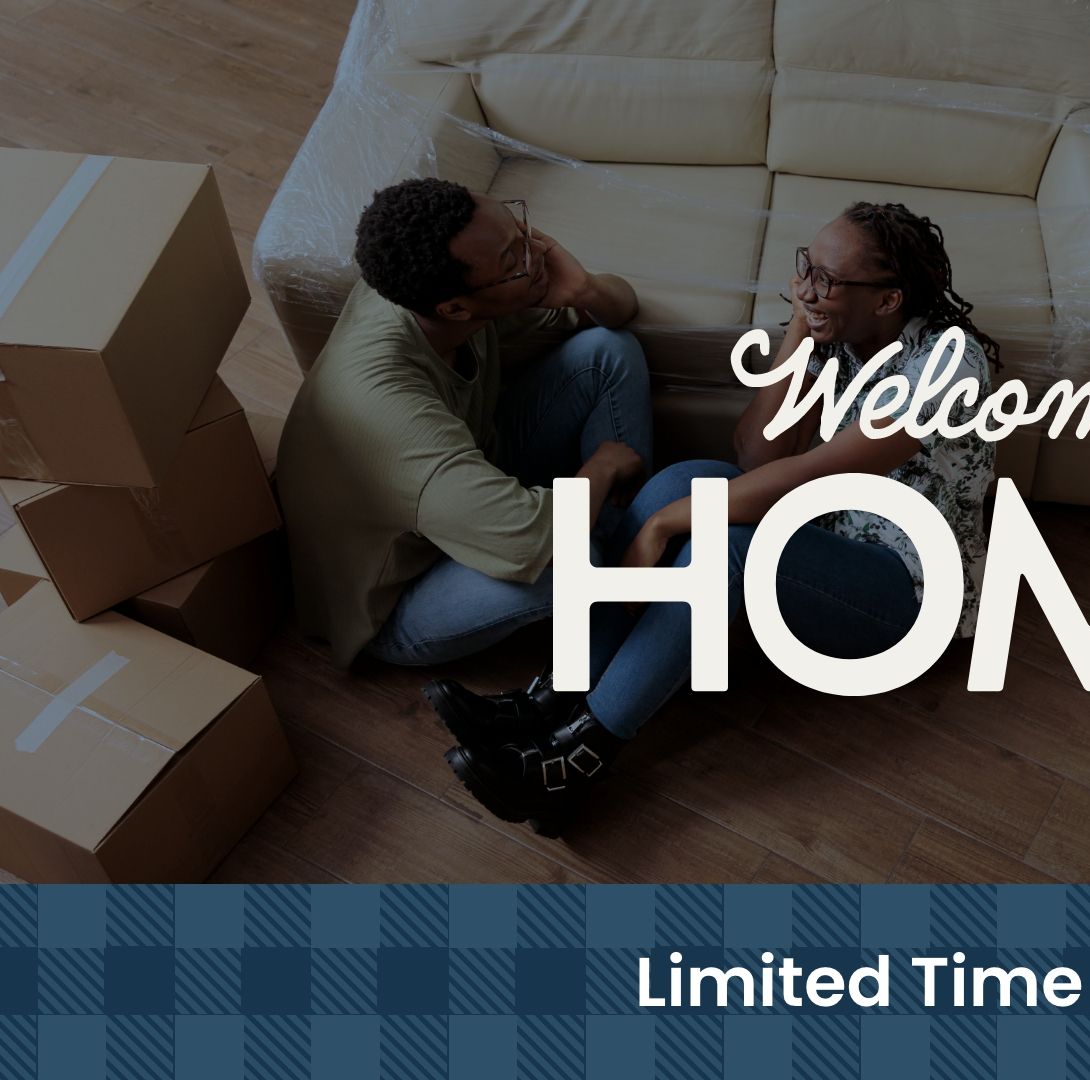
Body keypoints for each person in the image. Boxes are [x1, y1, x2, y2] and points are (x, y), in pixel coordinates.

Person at [435, 201, 1000, 836]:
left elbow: (808, 473)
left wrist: (664, 527)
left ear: (889, 299)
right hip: (828, 535)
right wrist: (801, 329)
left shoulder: (947, 368)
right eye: (805, 267)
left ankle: (579, 759)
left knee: (729, 543)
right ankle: (559, 695)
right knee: (677, 480)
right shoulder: (839, 334)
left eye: (827, 279)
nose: (807, 287)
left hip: (903, 595)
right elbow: (756, 453)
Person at [276, 177, 656, 756]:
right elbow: (537, 541)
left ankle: (634, 564)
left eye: (521, 228)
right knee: (572, 562)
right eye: (513, 258)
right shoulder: (390, 411)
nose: (535, 253)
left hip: (466, 494)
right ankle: (634, 592)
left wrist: (582, 289)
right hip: (399, 597)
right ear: (455, 307)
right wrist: (601, 468)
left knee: (607, 352)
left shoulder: (443, 299)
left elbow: (614, 311)